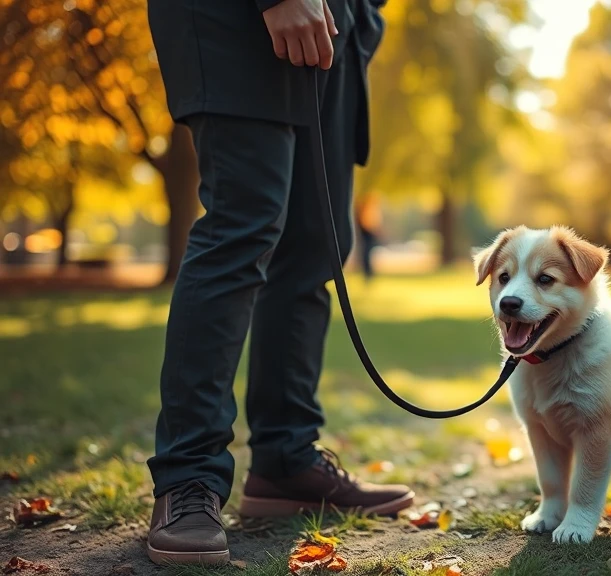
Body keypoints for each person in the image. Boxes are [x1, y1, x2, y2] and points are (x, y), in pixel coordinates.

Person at [144, 0, 413, 566]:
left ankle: (286, 461)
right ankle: (188, 477)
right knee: (241, 229)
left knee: (316, 247)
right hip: (236, 18)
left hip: (339, 24)